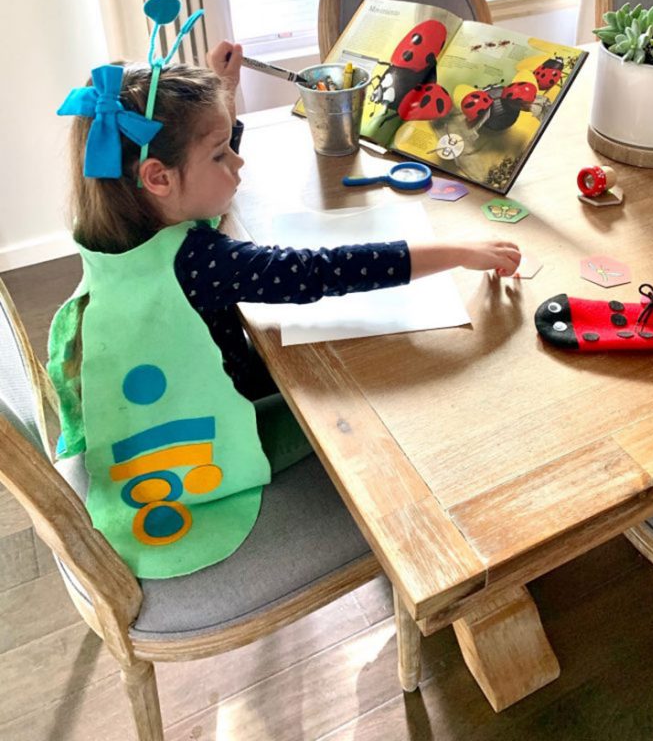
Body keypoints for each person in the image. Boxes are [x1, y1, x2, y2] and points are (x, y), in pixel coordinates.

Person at [49, 32, 521, 580]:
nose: (239, 162)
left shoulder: (118, 221)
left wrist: (221, 96)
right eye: (222, 153)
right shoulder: (200, 261)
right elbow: (318, 272)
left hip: (149, 405)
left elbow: (199, 189)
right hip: (214, 426)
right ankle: (440, 553)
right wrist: (457, 250)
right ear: (157, 177)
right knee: (389, 407)